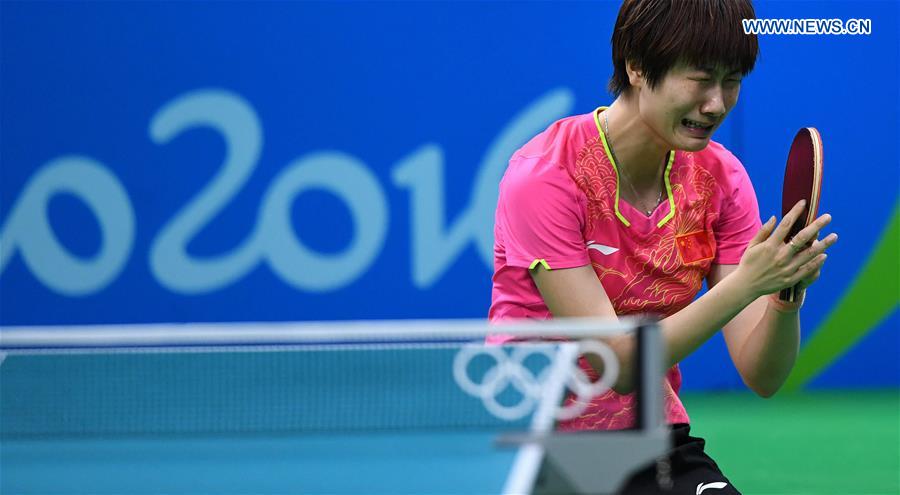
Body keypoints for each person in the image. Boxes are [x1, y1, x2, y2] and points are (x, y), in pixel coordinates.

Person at [487, 0, 838, 493]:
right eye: (699, 79)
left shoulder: (721, 178)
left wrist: (784, 294)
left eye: (732, 80)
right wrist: (746, 283)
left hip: (651, 439)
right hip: (534, 441)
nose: (716, 103)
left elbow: (763, 375)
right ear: (635, 66)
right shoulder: (547, 177)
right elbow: (618, 365)